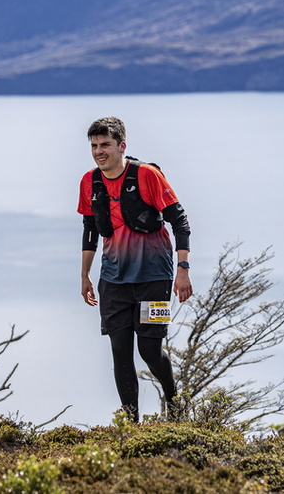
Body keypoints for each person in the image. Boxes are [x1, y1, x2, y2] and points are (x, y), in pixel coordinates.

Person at [77, 117, 193, 421]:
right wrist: (85, 274)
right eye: (94, 146)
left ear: (121, 146)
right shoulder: (90, 182)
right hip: (113, 280)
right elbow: (90, 228)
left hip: (154, 276)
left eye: (105, 145)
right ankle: (131, 425)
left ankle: (175, 403)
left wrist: (183, 269)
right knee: (120, 352)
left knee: (150, 350)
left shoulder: (147, 175)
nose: (99, 151)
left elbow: (179, 222)